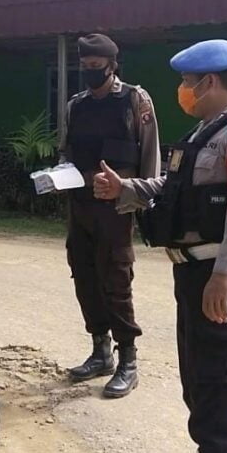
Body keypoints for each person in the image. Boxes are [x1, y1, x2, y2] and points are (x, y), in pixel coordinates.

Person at [94, 39, 227, 453]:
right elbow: (173, 189)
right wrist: (126, 189)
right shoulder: (204, 132)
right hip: (194, 272)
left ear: (209, 82)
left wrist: (226, 274)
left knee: (225, 375)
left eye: (187, 82)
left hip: (223, 274)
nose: (182, 90)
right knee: (200, 374)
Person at [60, 33, 161, 398]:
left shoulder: (135, 99)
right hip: (81, 205)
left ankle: (128, 360)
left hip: (117, 208)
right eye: (84, 66)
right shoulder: (76, 105)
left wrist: (143, 197)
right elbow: (67, 152)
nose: (90, 71)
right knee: (84, 275)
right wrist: (58, 176)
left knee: (116, 279)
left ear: (112, 65)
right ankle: (100, 351)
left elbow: (150, 156)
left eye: (96, 66)